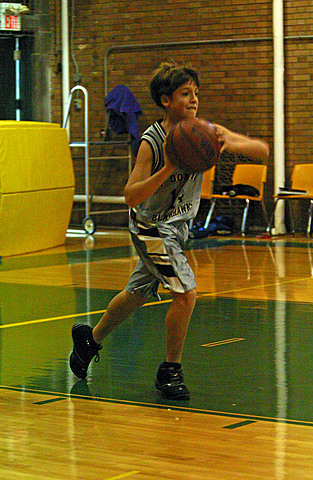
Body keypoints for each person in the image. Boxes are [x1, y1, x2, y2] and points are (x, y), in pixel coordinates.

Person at [69, 61, 269, 400]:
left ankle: (91, 339)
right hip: (151, 227)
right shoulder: (152, 141)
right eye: (184, 94)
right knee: (186, 293)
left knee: (136, 294)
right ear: (165, 100)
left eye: (196, 94)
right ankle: (170, 370)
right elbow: (131, 196)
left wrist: (230, 144)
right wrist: (170, 167)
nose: (193, 101)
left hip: (178, 227)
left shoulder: (205, 132)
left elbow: (262, 150)